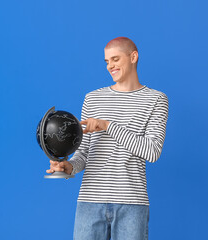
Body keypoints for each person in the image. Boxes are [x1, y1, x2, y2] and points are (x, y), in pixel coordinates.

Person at [46, 37, 169, 240]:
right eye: (106, 62)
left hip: (132, 203)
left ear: (133, 57)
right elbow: (83, 153)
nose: (110, 66)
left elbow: (152, 151)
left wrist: (108, 126)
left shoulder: (156, 99)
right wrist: (67, 168)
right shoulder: (93, 98)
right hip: (89, 201)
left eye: (115, 59)